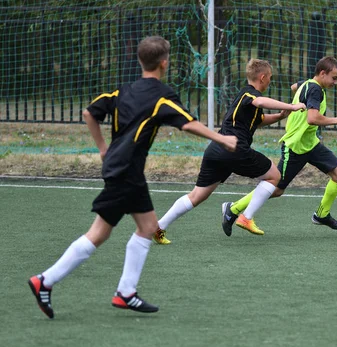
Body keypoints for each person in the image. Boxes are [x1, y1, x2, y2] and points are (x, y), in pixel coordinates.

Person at [27, 36, 238, 319]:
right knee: (99, 234)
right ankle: (46, 280)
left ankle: (125, 291)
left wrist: (103, 148)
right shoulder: (162, 96)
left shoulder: (122, 91)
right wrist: (222, 139)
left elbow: (89, 113)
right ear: (165, 63)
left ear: (140, 61)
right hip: (126, 172)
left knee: (148, 227)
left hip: (122, 169)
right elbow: (188, 123)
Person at [152, 59, 306, 242]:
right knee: (274, 176)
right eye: (270, 78)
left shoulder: (243, 97)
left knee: (197, 195)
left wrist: (280, 116)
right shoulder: (251, 95)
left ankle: (158, 227)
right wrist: (291, 106)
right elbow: (260, 102)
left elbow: (260, 119)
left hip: (216, 149)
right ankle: (246, 217)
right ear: (262, 77)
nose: (270, 82)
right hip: (234, 147)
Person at [221, 56, 337, 235]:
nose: (335, 82)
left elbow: (294, 87)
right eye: (334, 78)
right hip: (295, 146)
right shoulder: (316, 90)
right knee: (275, 189)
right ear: (322, 73)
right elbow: (312, 119)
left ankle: (322, 214)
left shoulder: (306, 84)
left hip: (310, 144)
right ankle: (234, 208)